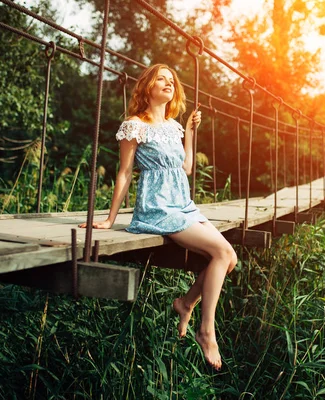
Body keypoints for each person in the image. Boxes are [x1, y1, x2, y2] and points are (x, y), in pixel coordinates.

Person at [79, 63, 237, 370]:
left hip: (183, 203)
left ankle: (186, 303)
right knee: (222, 252)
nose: (168, 83)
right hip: (158, 206)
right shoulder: (134, 125)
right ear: (147, 87)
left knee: (229, 259)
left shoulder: (174, 126)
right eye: (161, 79)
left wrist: (190, 131)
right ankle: (207, 331)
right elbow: (124, 172)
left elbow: (186, 168)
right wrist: (110, 219)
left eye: (172, 81)